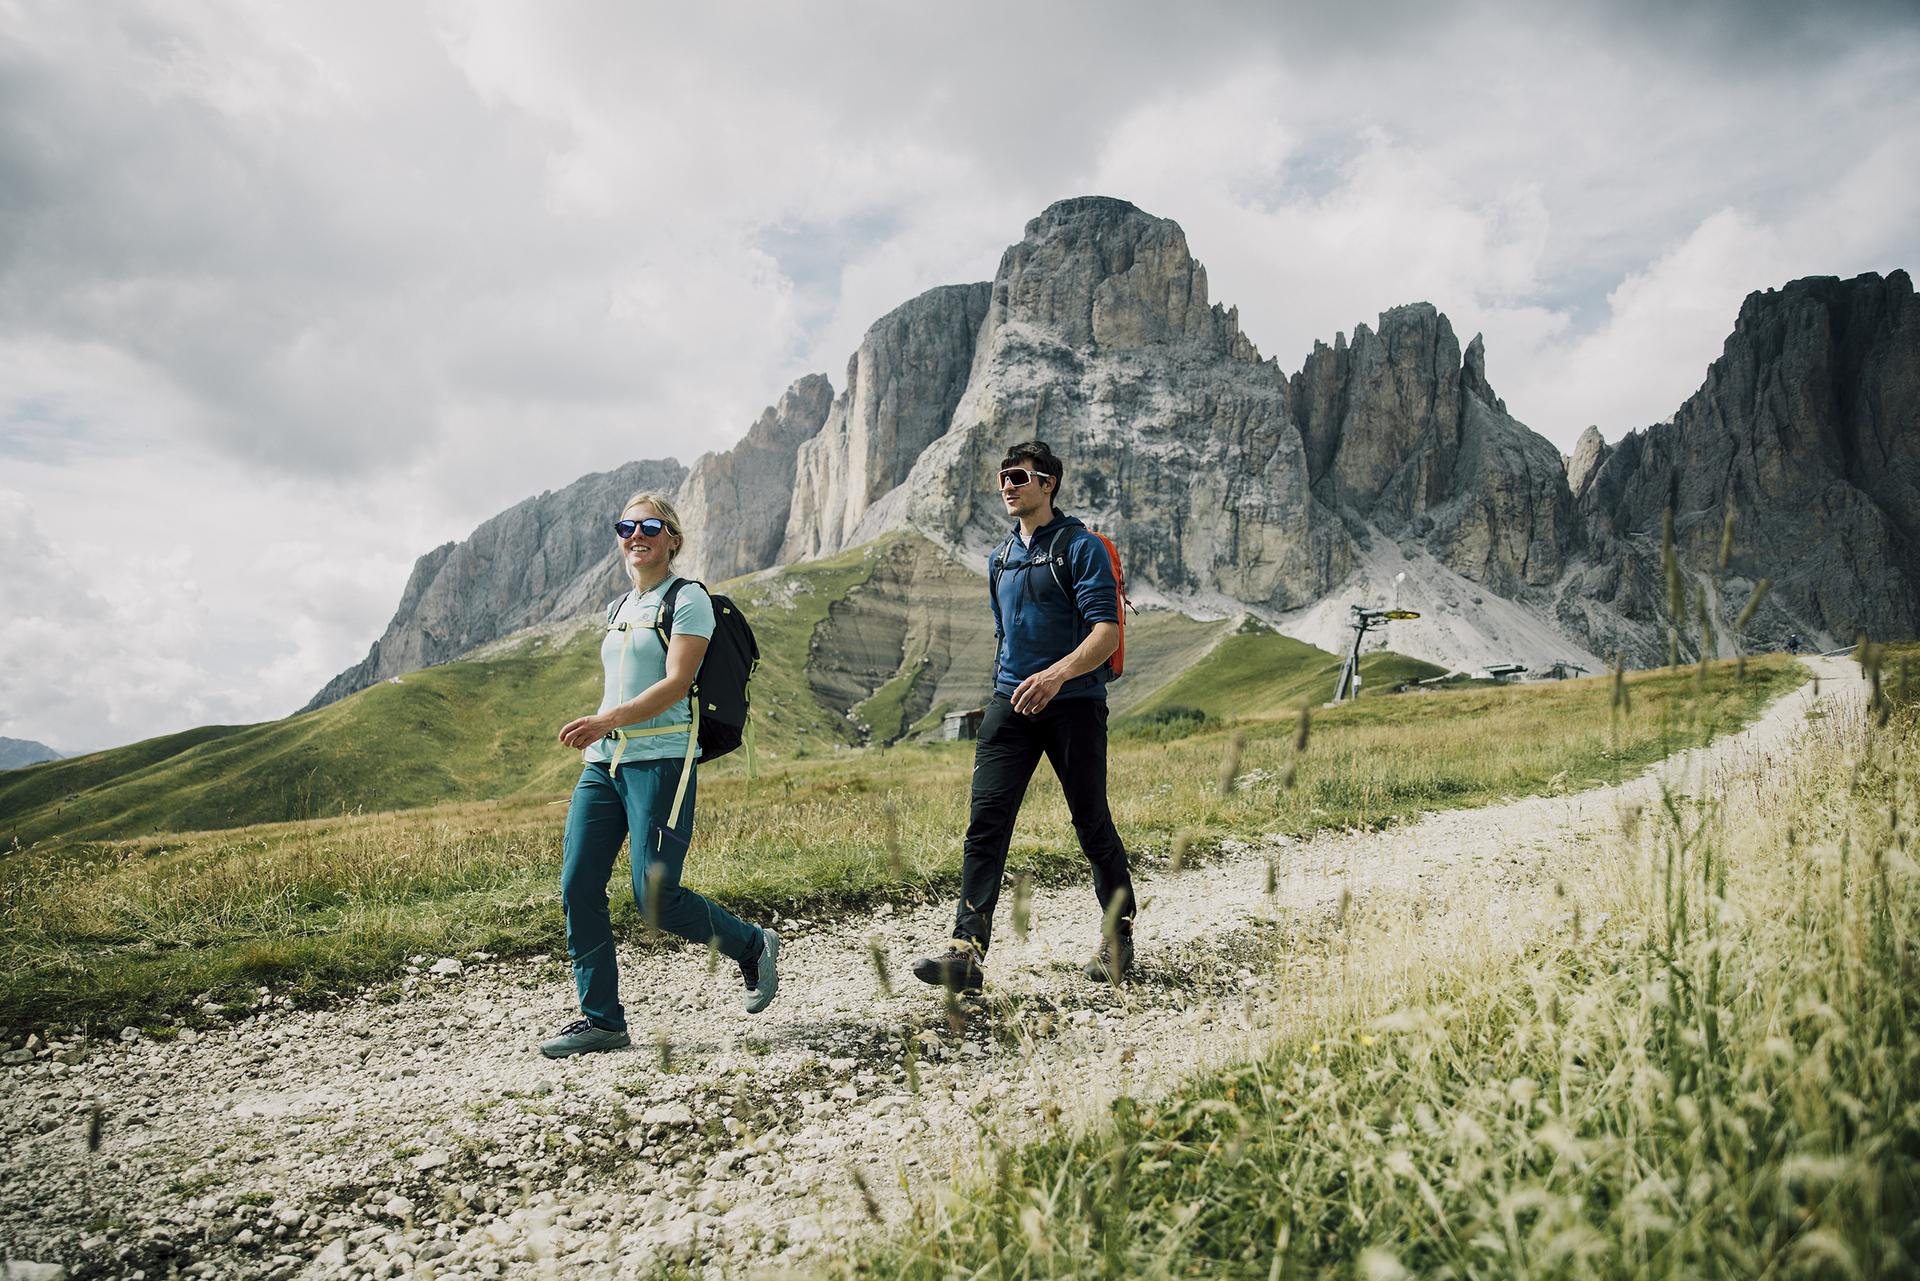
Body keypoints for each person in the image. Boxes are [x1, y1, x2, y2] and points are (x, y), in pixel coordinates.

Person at [540, 492, 778, 1058]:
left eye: (650, 527)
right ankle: (602, 1021)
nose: (636, 536)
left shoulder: (688, 599)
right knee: (577, 885)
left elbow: (676, 683)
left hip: (662, 760)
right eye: (626, 527)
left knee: (654, 896)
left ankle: (751, 945)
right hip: (603, 766)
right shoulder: (619, 606)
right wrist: (603, 732)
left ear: (672, 538)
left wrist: (607, 720)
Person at [912, 441, 1136, 993]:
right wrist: (1009, 686)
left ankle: (1118, 932)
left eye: (1018, 476)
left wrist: (1055, 676)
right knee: (986, 823)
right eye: (1002, 477)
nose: (1007, 486)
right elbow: (1004, 632)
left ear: (1048, 483)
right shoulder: (1000, 558)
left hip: (1075, 704)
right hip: (1011, 703)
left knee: (1091, 822)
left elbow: (1106, 633)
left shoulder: (1081, 547)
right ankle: (966, 949)